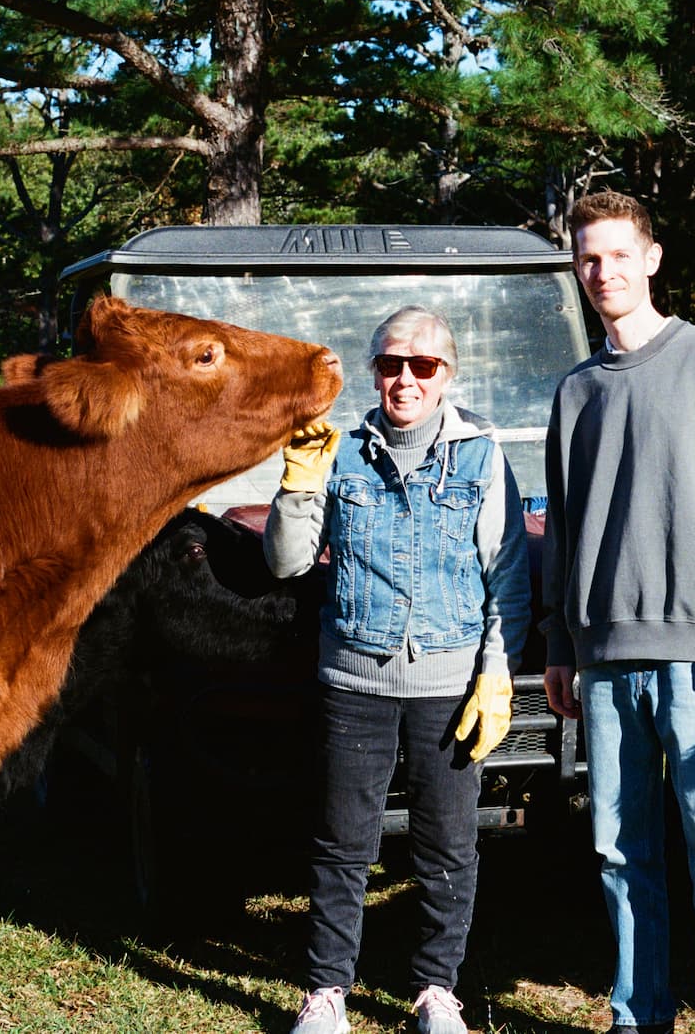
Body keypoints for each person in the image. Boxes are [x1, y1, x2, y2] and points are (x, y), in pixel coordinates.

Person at [541, 192, 695, 1034]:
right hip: (602, 660)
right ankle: (638, 1017)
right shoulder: (576, 391)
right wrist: (561, 641)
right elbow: (564, 528)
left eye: (618, 254)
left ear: (651, 259)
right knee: (620, 852)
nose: (602, 271)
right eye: (588, 257)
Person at [265, 305, 531, 1034]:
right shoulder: (341, 453)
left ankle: (436, 991)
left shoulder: (481, 457)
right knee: (342, 844)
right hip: (354, 683)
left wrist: (496, 672)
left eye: (423, 365)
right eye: (390, 364)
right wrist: (298, 481)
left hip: (449, 688)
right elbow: (286, 562)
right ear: (374, 372)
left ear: (448, 374)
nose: (405, 379)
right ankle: (326, 993)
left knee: (447, 847)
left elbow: (506, 576)